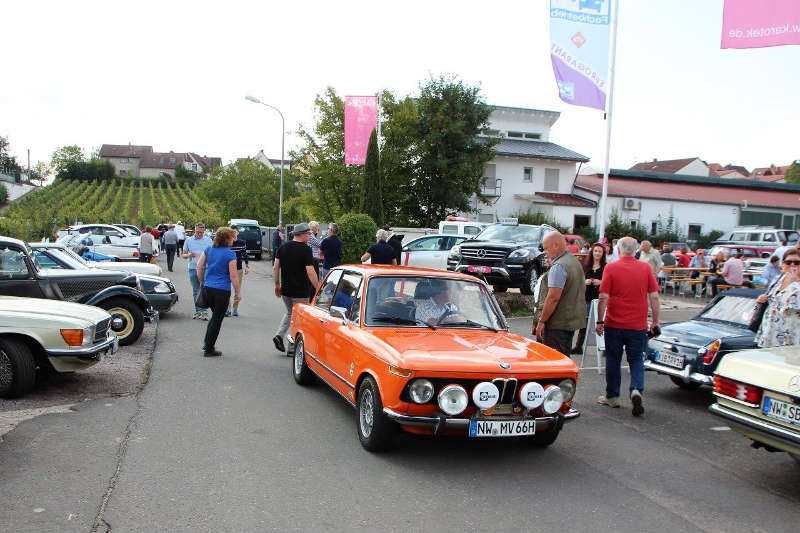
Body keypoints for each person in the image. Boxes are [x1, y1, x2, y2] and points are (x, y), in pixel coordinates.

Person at [596, 236, 660, 416]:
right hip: (637, 324)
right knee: (637, 359)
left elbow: (603, 297)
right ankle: (636, 389)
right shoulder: (645, 268)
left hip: (615, 323)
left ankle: (612, 396)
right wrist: (655, 321)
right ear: (636, 249)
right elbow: (654, 297)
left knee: (613, 359)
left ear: (619, 249)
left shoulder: (611, 268)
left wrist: (600, 320)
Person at [533, 231, 586, 356]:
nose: (544, 252)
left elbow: (553, 297)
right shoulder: (574, 261)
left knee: (554, 360)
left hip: (557, 323)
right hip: (570, 320)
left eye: (546, 248)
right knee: (563, 356)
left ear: (556, 245)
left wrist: (541, 321)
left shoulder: (559, 266)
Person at [273, 223, 320, 354]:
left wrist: (277, 285)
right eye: (308, 234)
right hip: (300, 290)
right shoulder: (306, 250)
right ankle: (292, 348)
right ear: (302, 234)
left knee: (290, 313)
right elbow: (310, 271)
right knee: (299, 319)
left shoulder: (283, 247)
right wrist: (318, 287)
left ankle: (279, 335)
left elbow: (276, 267)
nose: (310, 236)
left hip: (286, 289)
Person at [196, 227, 241, 357]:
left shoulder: (209, 250)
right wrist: (238, 292)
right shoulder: (230, 254)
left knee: (214, 316)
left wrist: (202, 282)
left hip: (208, 288)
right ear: (227, 238)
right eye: (232, 237)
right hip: (222, 291)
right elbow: (233, 276)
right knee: (217, 319)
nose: (233, 239)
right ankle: (209, 348)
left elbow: (199, 267)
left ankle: (207, 343)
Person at [755, 249, 800, 347]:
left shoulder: (797, 284)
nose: (792, 265)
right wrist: (762, 299)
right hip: (771, 329)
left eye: (797, 262)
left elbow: (792, 306)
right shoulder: (778, 279)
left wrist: (794, 284)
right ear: (783, 264)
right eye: (788, 262)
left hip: (790, 333)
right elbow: (773, 299)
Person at [573, 242, 606, 354]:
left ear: (603, 253)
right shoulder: (586, 266)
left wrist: (601, 282)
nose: (597, 253)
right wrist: (585, 282)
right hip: (587, 298)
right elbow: (578, 280)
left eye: (600, 251)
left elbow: (610, 282)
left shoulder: (606, 267)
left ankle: (605, 347)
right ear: (592, 252)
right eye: (595, 251)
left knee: (602, 323)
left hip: (600, 299)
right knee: (584, 323)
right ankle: (578, 346)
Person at [183, 222, 213, 320]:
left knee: (204, 289)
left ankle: (204, 311)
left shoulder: (209, 241)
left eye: (201, 232)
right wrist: (188, 255)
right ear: (195, 230)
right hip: (193, 268)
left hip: (205, 268)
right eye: (197, 232)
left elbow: (212, 254)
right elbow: (183, 254)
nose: (199, 234)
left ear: (204, 230)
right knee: (196, 290)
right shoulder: (189, 240)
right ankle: (198, 311)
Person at [226, 226, 250, 317]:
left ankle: (235, 309)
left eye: (235, 232)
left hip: (238, 269)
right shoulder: (227, 243)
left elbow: (245, 255)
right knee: (227, 289)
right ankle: (227, 309)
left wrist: (247, 266)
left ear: (237, 233)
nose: (233, 233)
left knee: (237, 289)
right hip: (227, 269)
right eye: (231, 232)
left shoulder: (241, 242)